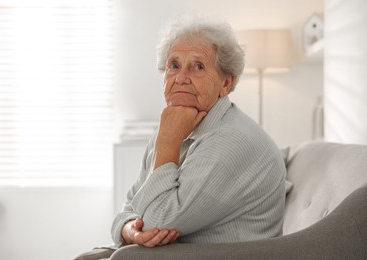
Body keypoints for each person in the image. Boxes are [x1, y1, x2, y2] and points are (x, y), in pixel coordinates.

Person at [74, 16, 285, 260]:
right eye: (174, 65)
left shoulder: (230, 141)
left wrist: (167, 143)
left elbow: (156, 221)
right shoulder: (175, 125)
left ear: (226, 83)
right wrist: (129, 229)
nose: (181, 78)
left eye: (198, 67)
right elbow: (130, 205)